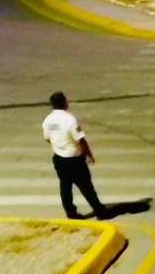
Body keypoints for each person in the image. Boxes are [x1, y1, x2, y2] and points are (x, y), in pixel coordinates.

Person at [43, 92, 109, 220]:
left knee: (65, 187)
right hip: (75, 160)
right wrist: (89, 155)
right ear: (64, 103)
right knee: (86, 186)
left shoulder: (48, 121)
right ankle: (100, 211)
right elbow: (81, 139)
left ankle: (71, 213)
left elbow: (47, 138)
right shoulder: (70, 120)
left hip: (59, 159)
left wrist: (58, 146)